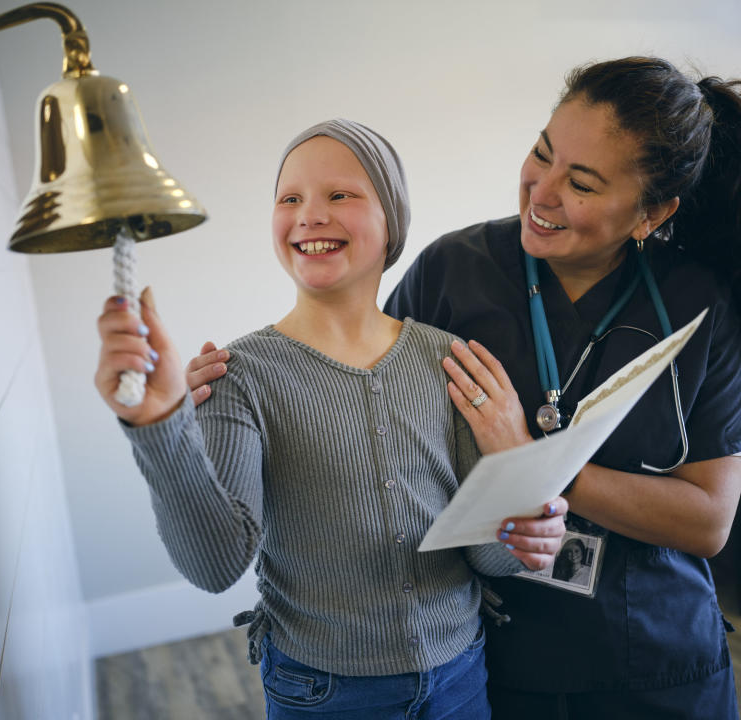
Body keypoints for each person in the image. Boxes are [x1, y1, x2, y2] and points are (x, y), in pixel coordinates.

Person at [187, 57, 741, 719]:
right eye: (541, 154)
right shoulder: (454, 274)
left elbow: (708, 521)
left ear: (650, 211)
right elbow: (354, 393)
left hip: (656, 659)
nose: (540, 192)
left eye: (580, 182)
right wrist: (222, 392)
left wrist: (529, 462)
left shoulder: (695, 303)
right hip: (500, 661)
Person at [95, 119, 568, 719]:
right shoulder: (238, 376)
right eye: (289, 199)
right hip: (321, 695)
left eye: (340, 195)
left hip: (461, 676)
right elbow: (214, 568)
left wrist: (525, 534)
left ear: (391, 220)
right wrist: (160, 425)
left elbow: (484, 555)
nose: (309, 215)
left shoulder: (451, 360)